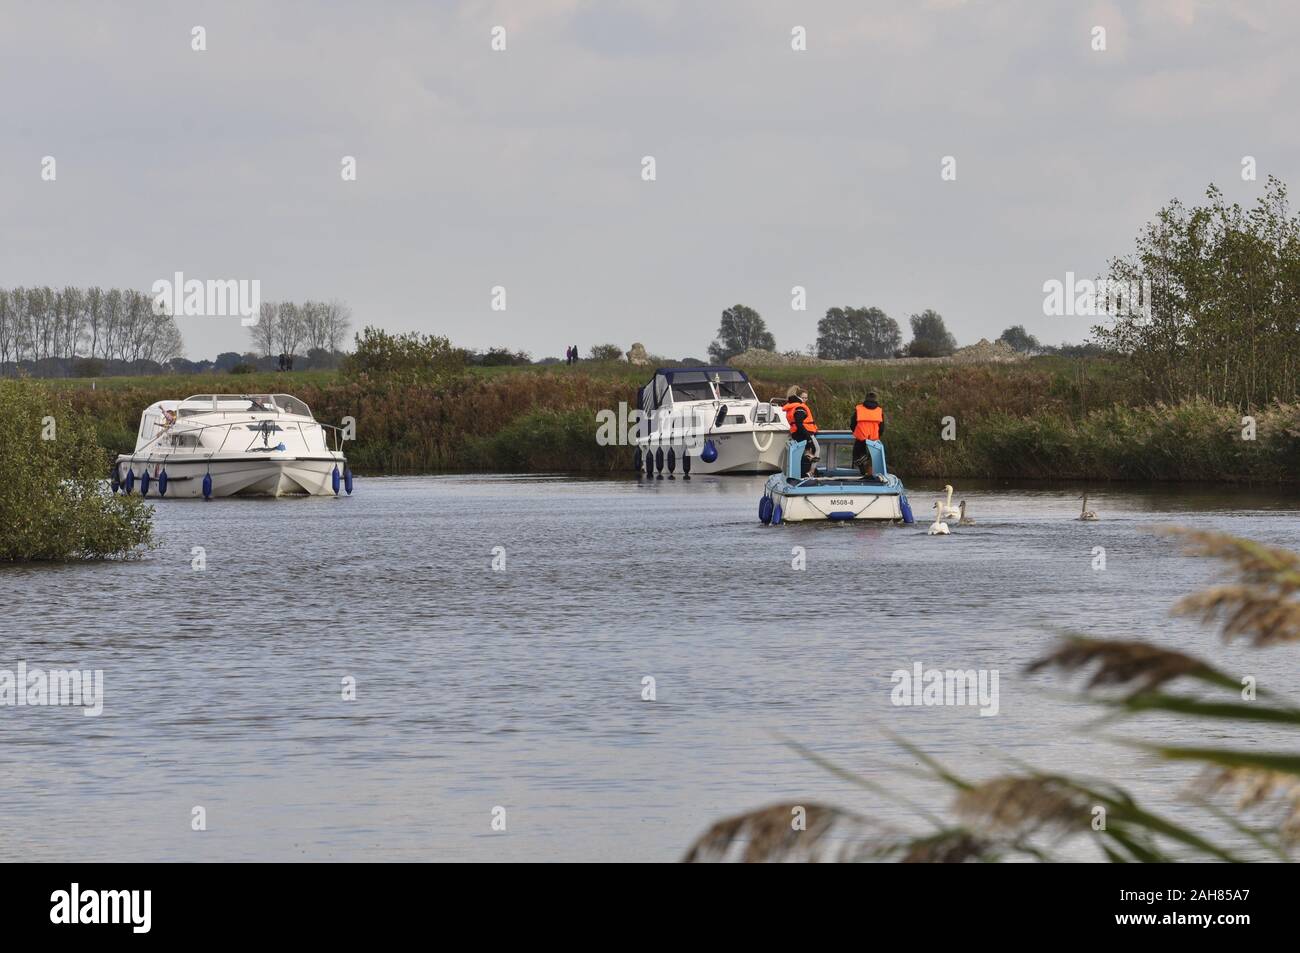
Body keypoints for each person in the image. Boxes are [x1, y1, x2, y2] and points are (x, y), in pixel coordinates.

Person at [783, 386, 819, 477]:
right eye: (803, 398)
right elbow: (799, 423)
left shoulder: (793, 406)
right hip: (805, 433)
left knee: (804, 454)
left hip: (798, 434)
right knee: (816, 449)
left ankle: (805, 472)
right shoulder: (800, 408)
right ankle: (811, 472)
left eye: (806, 398)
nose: (805, 400)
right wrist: (808, 437)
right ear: (798, 397)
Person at [850, 391, 885, 477]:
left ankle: (863, 470)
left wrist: (857, 432)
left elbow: (852, 424)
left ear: (865, 399)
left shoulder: (859, 409)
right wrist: (877, 436)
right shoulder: (879, 411)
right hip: (873, 438)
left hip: (861, 436)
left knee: (856, 456)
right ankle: (870, 473)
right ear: (876, 400)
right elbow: (882, 427)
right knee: (873, 457)